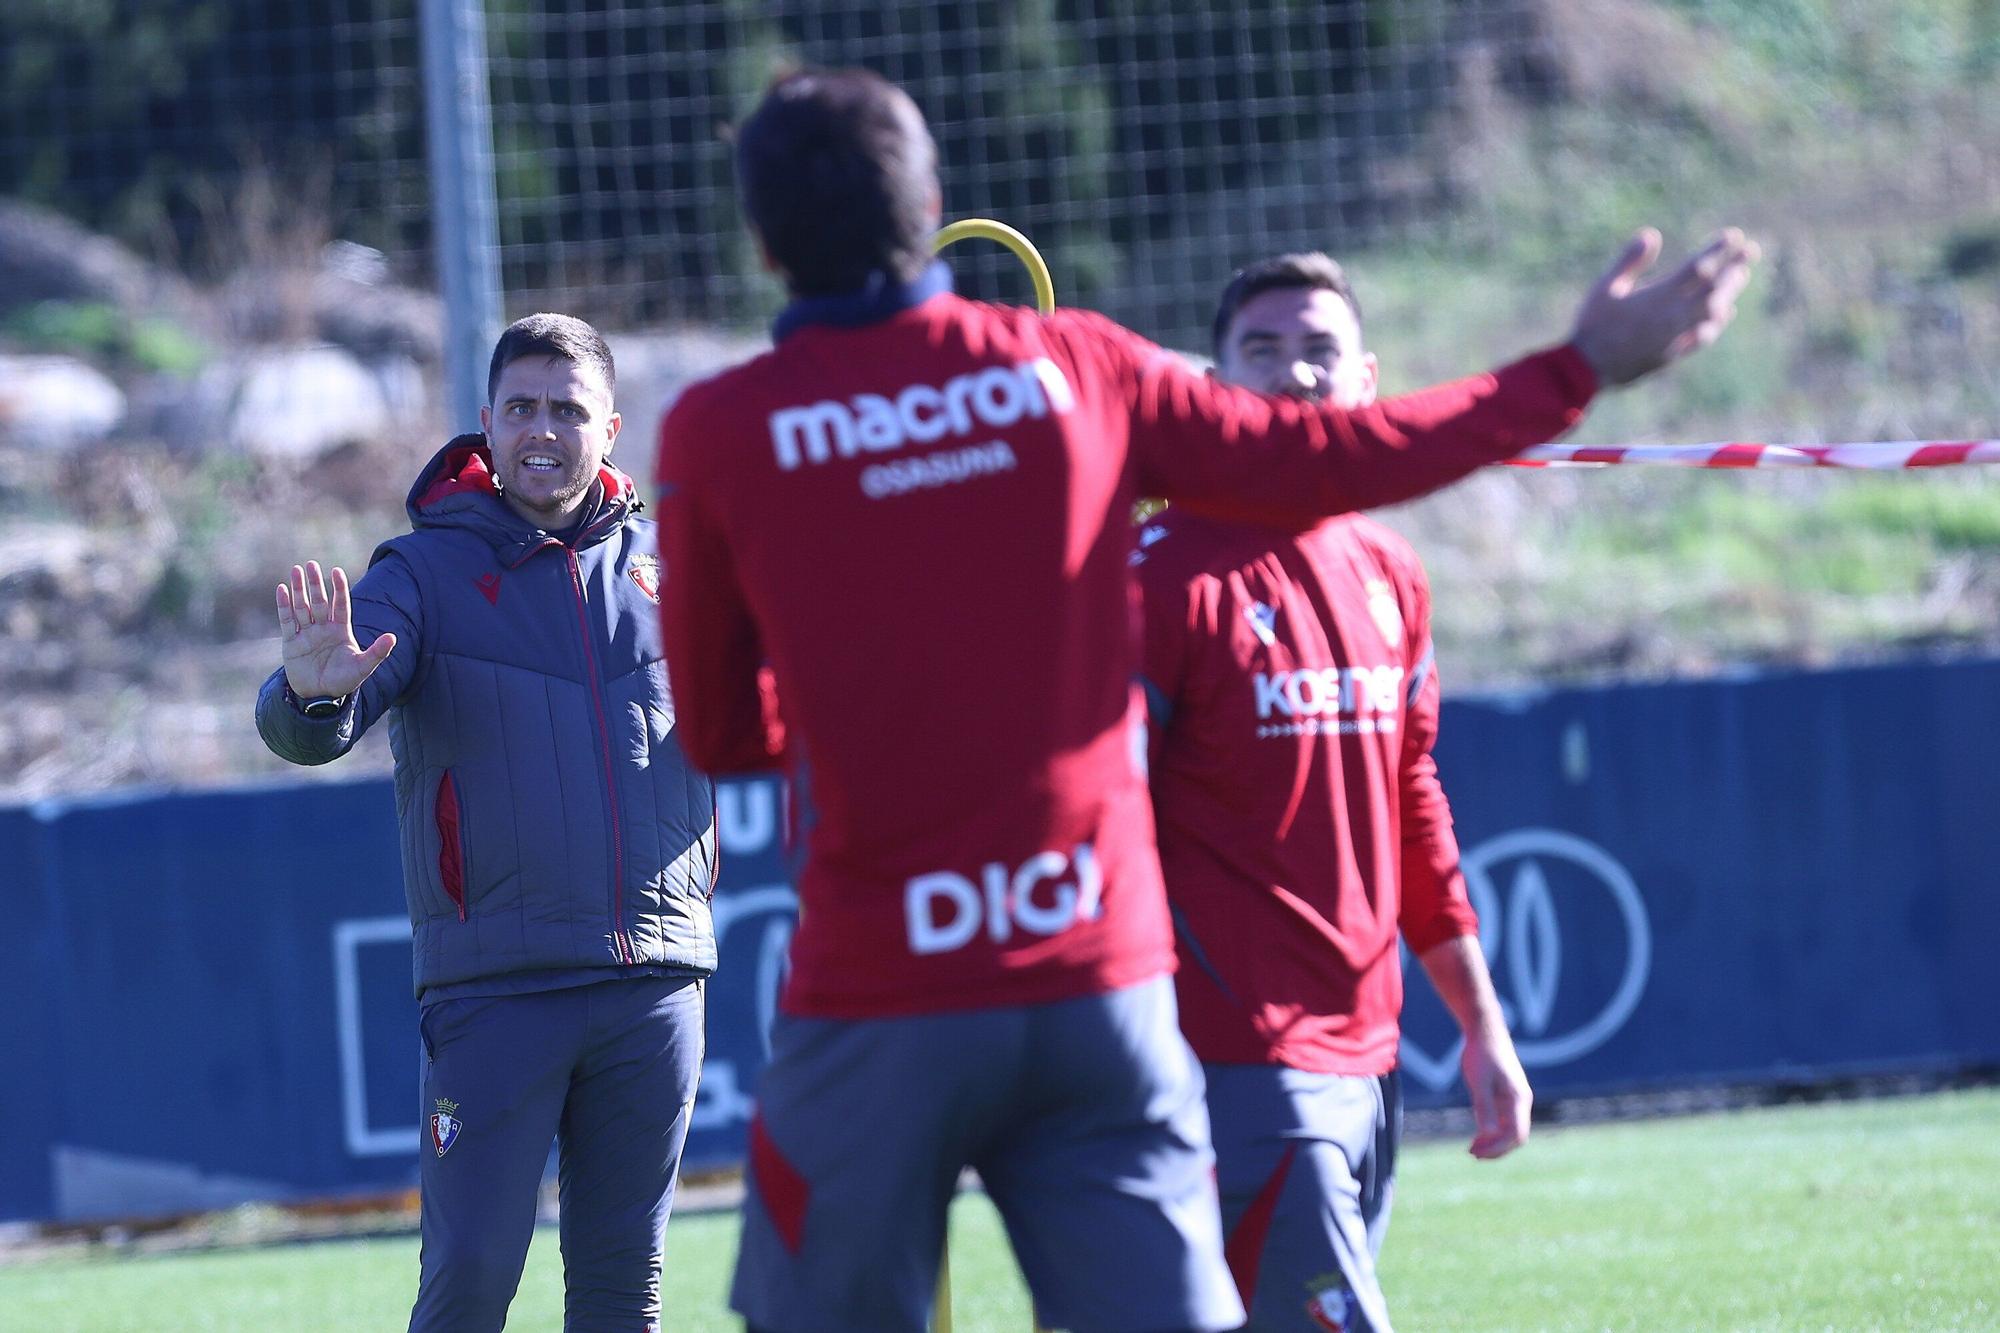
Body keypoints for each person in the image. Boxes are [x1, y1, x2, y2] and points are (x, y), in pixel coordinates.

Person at [653, 66, 1753, 1333]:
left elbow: (728, 732)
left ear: (758, 238)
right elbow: (1337, 458)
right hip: (1097, 996)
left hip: (879, 993)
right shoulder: (1079, 366)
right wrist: (1568, 370)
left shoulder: (722, 431)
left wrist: (881, 686)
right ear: (932, 203)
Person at [255, 314, 713, 1333]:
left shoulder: (675, 567)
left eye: (565, 409)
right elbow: (315, 719)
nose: (541, 430)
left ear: (609, 428)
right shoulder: (419, 574)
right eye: (520, 409)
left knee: (621, 1296)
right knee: (467, 1284)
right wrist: (312, 698)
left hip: (655, 985)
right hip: (498, 991)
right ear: (486, 424)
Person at [1136, 253, 1530, 1333]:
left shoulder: (1387, 569)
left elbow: (1412, 807)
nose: (1293, 375)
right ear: (1213, 383)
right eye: (1260, 351)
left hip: (1369, 1049)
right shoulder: (1160, 577)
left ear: (1365, 378)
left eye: (1318, 351)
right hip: (1233, 1057)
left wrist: (1479, 1026)